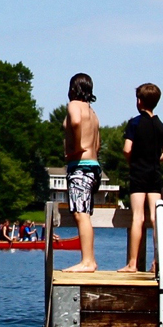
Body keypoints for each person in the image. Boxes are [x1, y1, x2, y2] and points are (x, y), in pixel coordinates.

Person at [118, 83, 163, 273]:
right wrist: (153, 159)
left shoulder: (135, 123)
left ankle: (133, 263)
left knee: (138, 217)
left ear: (139, 102)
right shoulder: (161, 126)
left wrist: (134, 160)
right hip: (154, 174)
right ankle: (158, 261)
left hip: (138, 173)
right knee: (157, 219)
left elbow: (126, 149)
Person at [61, 73, 103, 272]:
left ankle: (88, 261)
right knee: (84, 213)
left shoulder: (74, 105)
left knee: (81, 214)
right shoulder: (93, 113)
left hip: (80, 166)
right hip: (93, 166)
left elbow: (76, 122)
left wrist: (75, 148)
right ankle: (89, 259)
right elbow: (98, 143)